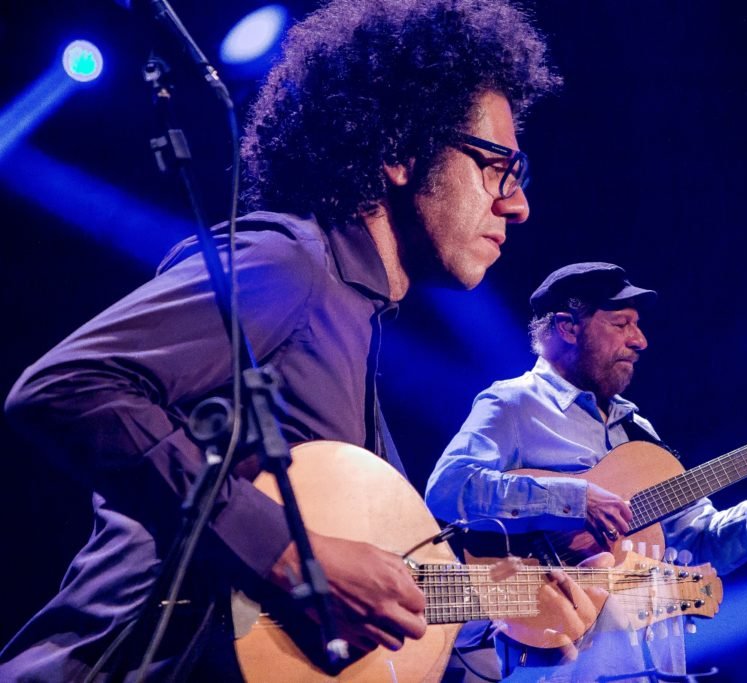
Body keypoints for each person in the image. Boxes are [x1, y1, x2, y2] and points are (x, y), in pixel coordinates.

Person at [0, 1, 562, 679]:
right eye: (497, 164)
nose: (517, 202)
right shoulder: (289, 266)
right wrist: (290, 552)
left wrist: (517, 626)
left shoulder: (354, 339)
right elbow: (66, 386)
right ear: (399, 153)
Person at [425, 262, 747, 681]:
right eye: (621, 324)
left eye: (637, 326)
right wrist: (574, 502)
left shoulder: (638, 432)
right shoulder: (513, 405)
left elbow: (704, 544)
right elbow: (448, 487)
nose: (639, 340)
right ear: (568, 327)